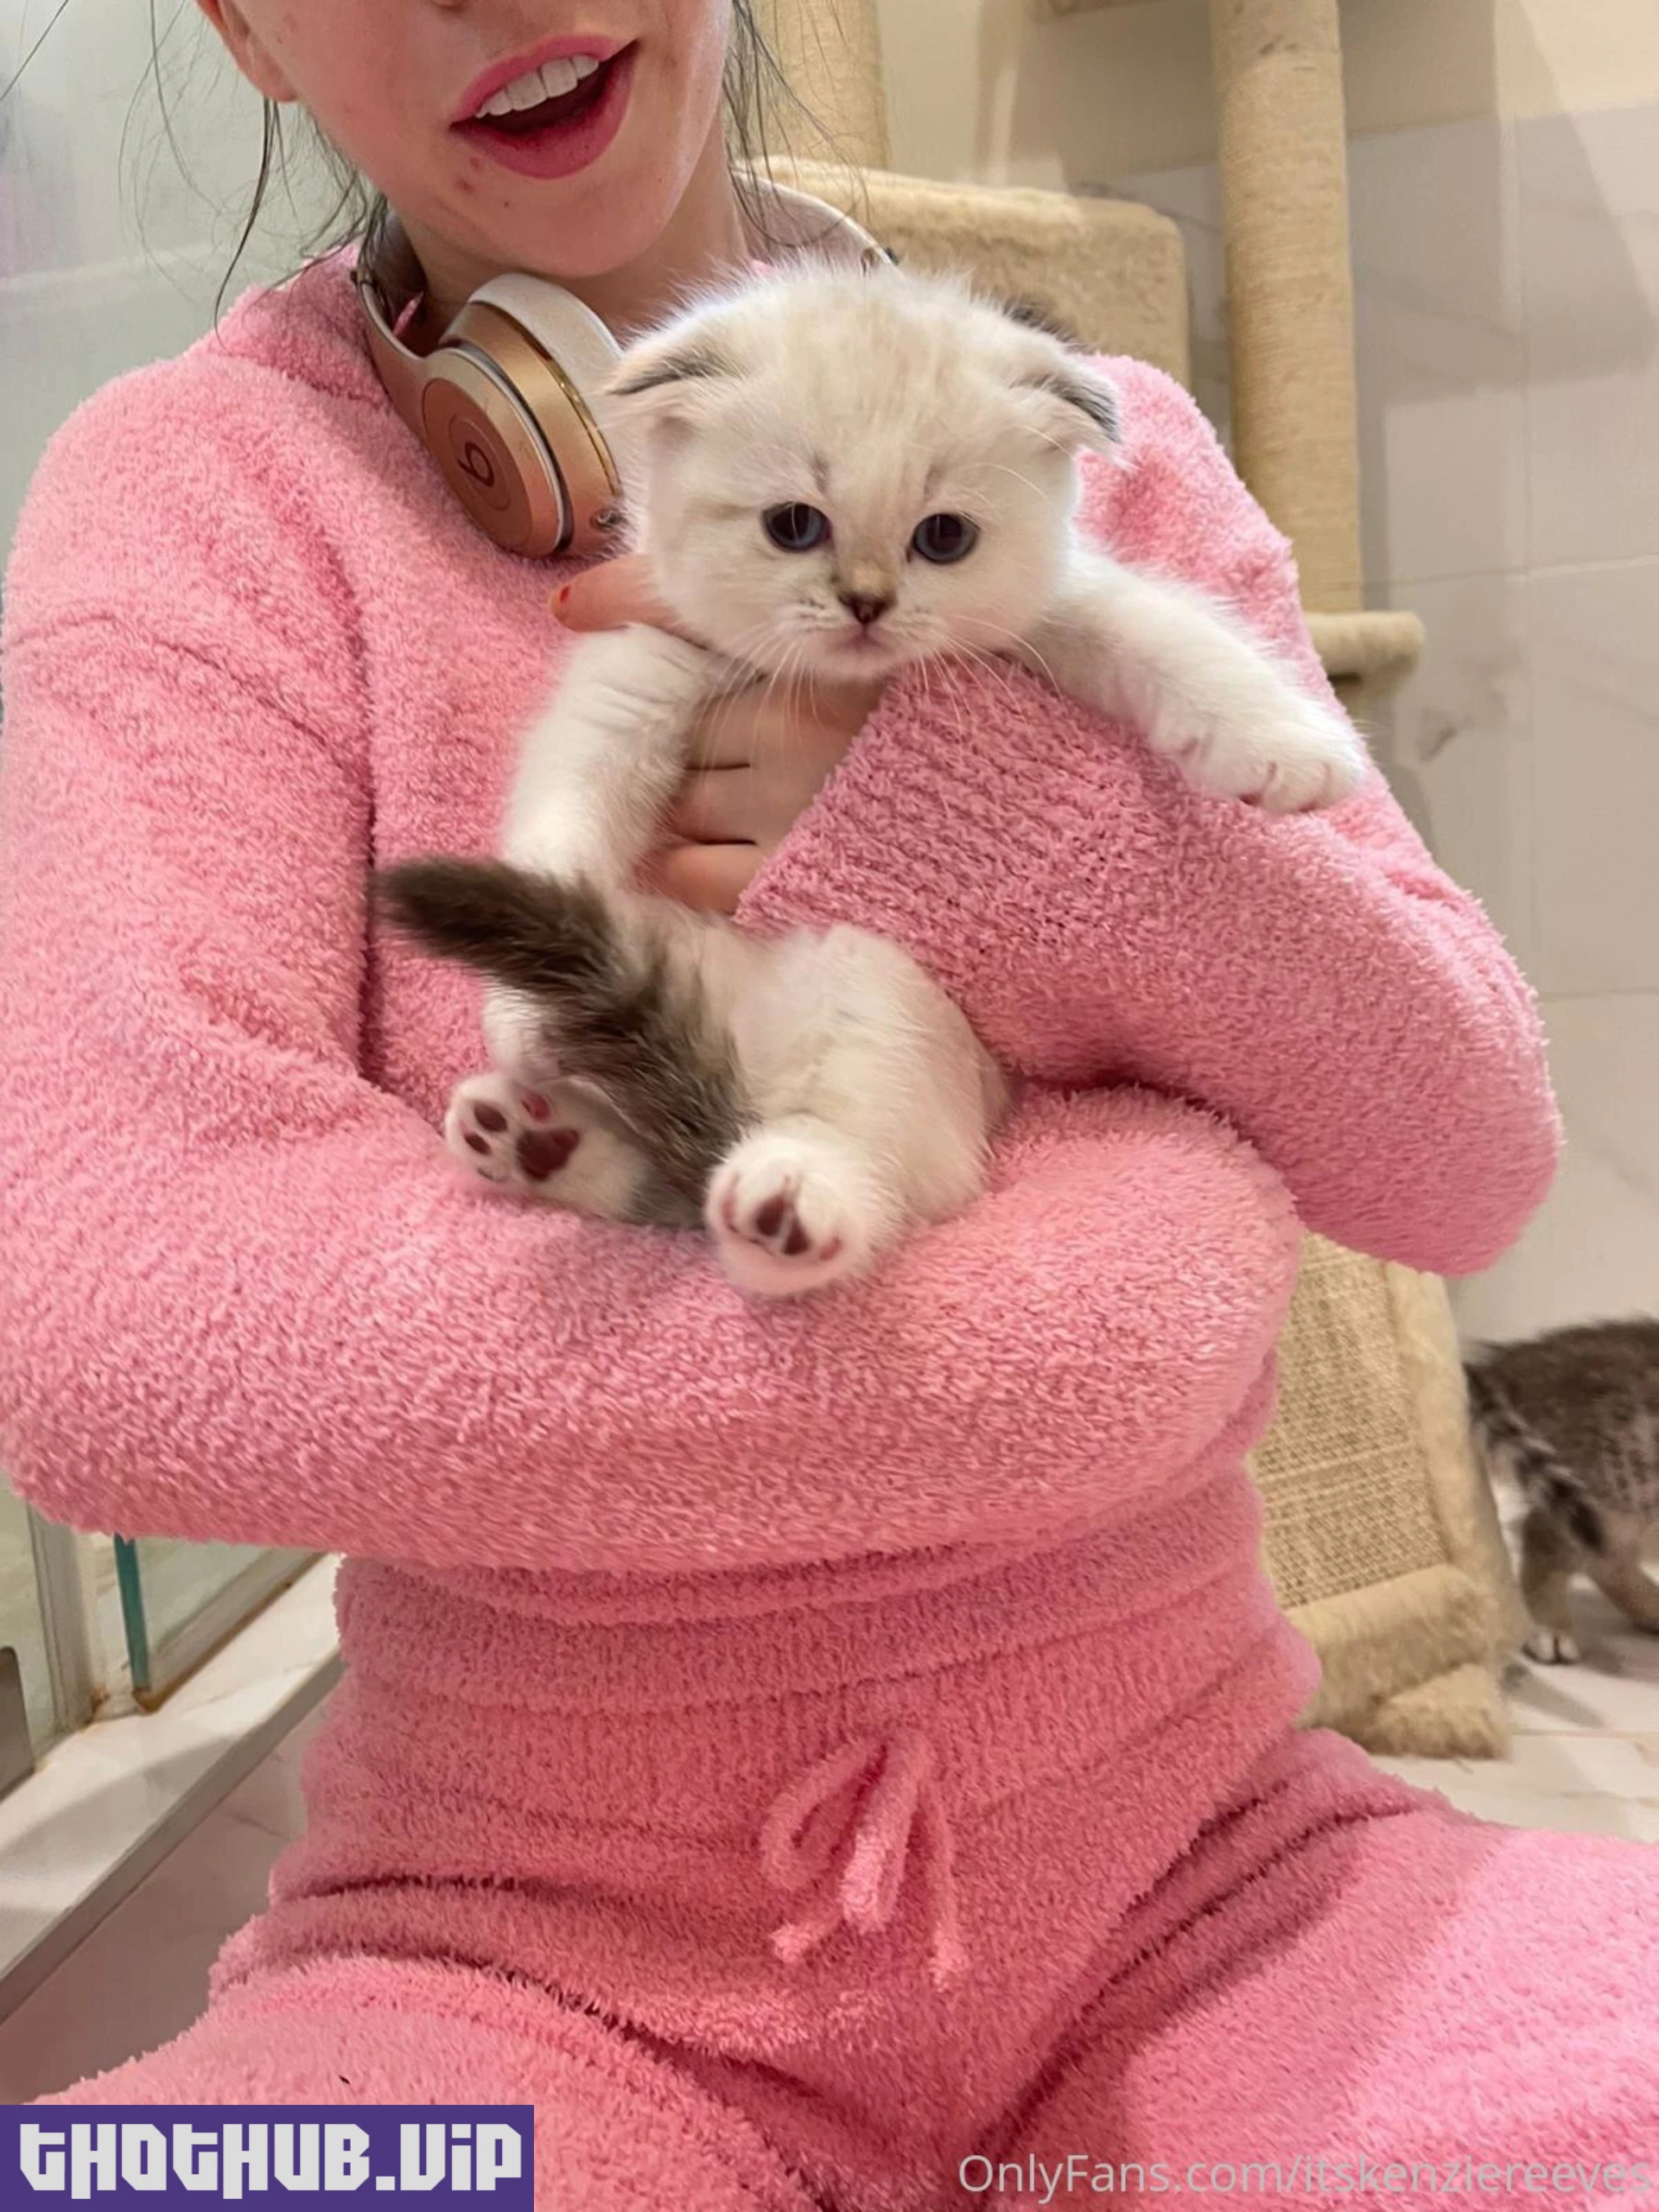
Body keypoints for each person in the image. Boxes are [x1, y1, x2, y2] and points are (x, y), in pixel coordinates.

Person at [1, 1, 1653, 2202]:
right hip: (516, 1956)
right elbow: (107, 1329)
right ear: (240, 25)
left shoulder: (1087, 450)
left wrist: (1024, 821)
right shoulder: (201, 500)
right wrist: (1155, 1249)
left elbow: (1461, 1151)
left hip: (1207, 1876)